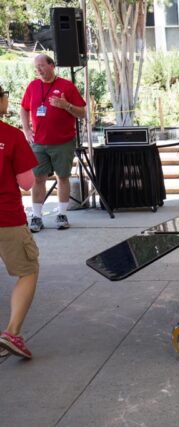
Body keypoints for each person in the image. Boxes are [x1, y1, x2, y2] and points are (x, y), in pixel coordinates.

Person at [20, 54, 86, 232]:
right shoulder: (33, 86)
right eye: (36, 67)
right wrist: (26, 129)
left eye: (41, 65)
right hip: (39, 143)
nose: (38, 69)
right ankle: (36, 216)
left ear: (51, 65)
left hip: (63, 142)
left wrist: (67, 106)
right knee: (38, 178)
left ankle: (62, 214)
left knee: (62, 177)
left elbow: (83, 113)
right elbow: (24, 108)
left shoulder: (66, 86)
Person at [0, 86, 40, 359]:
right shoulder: (12, 136)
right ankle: (12, 332)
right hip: (7, 218)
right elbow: (27, 183)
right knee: (28, 270)